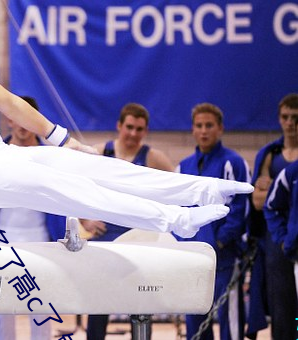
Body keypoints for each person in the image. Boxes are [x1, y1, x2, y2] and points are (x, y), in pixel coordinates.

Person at [0, 20, 252, 247]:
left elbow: (10, 103)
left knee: (99, 168)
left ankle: (201, 189)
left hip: (6, 155)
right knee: (76, 191)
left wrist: (61, 138)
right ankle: (175, 220)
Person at [0, 96, 64, 340]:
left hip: (43, 241)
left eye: (27, 119)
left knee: (43, 308)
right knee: (3, 310)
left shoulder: (51, 159)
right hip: (1, 241)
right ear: (9, 119)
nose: (23, 125)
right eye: (17, 118)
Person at [83, 102, 174, 340]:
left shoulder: (153, 158)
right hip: (106, 235)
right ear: (119, 126)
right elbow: (73, 189)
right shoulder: (99, 152)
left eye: (139, 129)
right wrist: (85, 219)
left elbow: (177, 192)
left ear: (145, 131)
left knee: (141, 300)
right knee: (98, 302)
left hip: (139, 240)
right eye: (129, 127)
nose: (133, 134)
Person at [175, 103, 250, 340]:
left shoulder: (233, 163)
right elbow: (176, 209)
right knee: (195, 321)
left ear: (220, 129)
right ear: (193, 130)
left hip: (224, 257)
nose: (204, 131)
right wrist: (183, 243)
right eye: (199, 126)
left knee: (230, 320)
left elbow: (240, 209)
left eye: (209, 125)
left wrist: (220, 241)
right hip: (193, 259)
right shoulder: (183, 167)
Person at [248, 93, 298, 340]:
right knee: (281, 304)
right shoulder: (270, 154)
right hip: (277, 238)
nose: (290, 123)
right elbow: (257, 202)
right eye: (285, 117)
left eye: (295, 118)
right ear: (279, 119)